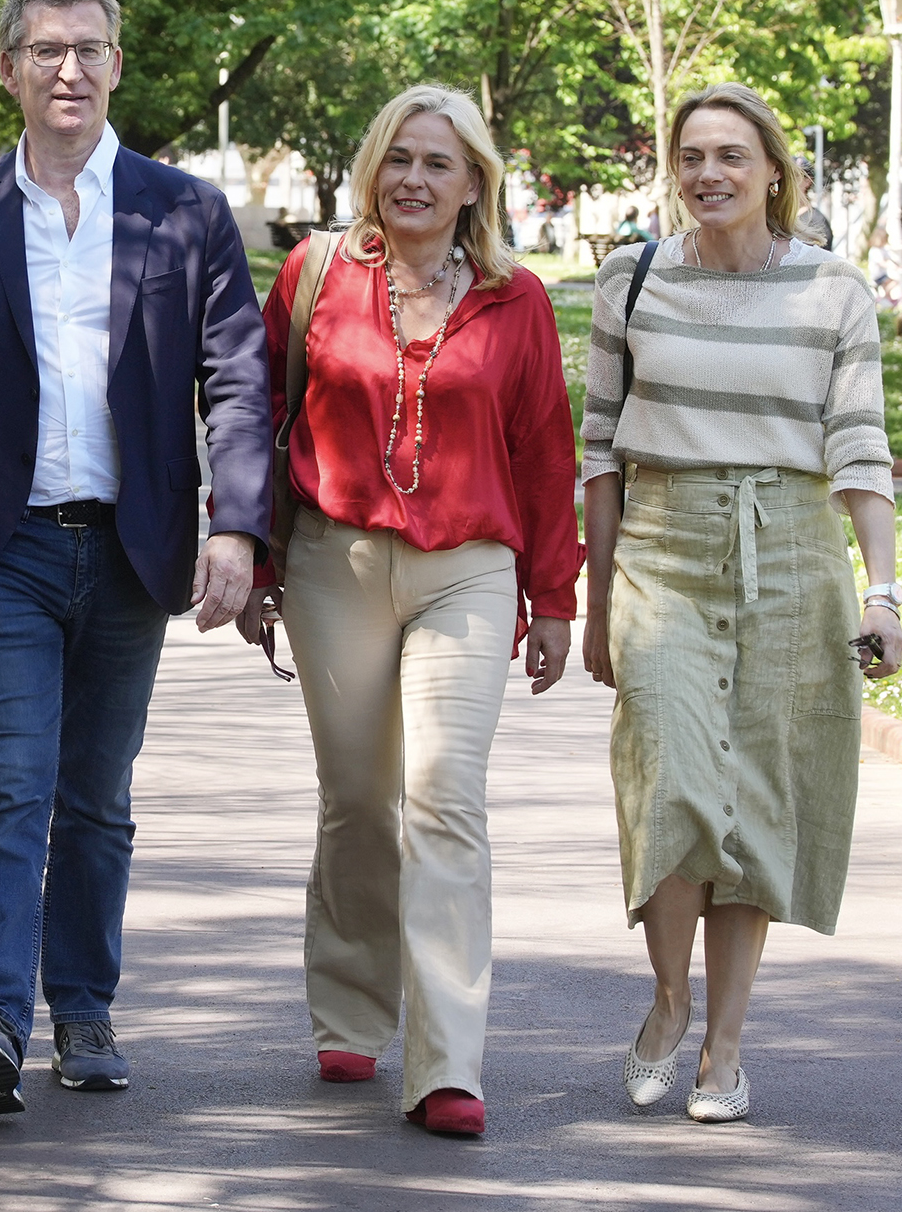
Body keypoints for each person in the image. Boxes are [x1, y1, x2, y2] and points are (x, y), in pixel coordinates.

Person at [0, 0, 271, 1117]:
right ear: (7, 69)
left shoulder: (180, 210)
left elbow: (237, 382)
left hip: (129, 550)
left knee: (94, 794)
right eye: (45, 50)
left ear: (114, 66)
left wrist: (234, 526)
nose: (69, 70)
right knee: (9, 783)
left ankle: (82, 1003)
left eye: (89, 49)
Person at [240, 85, 579, 1139]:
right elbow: (253, 411)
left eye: (437, 163)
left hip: (468, 570)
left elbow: (543, 447)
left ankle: (444, 1062)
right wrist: (250, 551)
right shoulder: (315, 275)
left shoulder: (514, 296)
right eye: (397, 159)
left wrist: (555, 597)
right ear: (369, 170)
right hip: (332, 560)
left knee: (444, 800)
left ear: (474, 181)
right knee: (355, 798)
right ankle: (347, 1006)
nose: (413, 181)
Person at [584, 84, 902, 1126]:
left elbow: (857, 446)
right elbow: (597, 454)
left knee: (759, 799)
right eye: (689, 156)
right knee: (672, 785)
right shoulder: (630, 279)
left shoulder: (831, 289)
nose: (707, 174)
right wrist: (594, 604)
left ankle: (724, 1046)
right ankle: (668, 999)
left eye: (730, 155)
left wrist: (883, 591)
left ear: (773, 169)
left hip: (791, 553)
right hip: (662, 550)